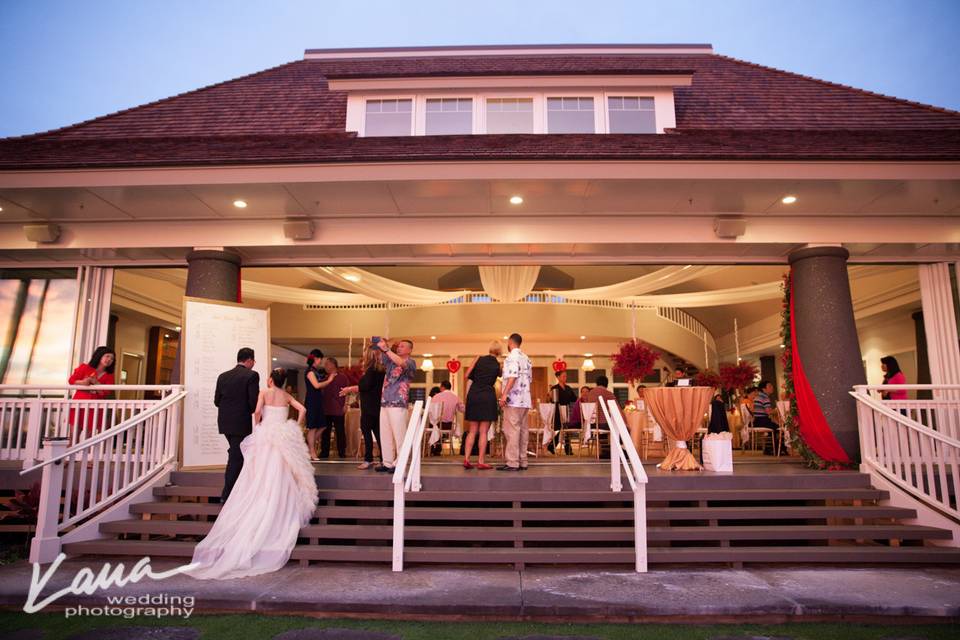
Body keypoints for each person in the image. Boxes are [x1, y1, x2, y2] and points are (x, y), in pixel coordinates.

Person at [189, 368, 318, 580]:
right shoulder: (286, 396)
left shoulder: (264, 393)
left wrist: (258, 425)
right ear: (284, 381)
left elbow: (256, 412)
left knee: (261, 471)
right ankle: (280, 500)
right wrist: (296, 425)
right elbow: (302, 409)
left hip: (267, 434)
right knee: (283, 470)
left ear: (270, 380)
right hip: (283, 435)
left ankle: (264, 498)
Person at [213, 347, 260, 503]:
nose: (254, 364)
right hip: (240, 422)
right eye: (253, 361)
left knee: (235, 453)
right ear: (249, 360)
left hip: (225, 422)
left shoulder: (223, 376)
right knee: (236, 458)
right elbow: (253, 402)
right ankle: (227, 495)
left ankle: (237, 491)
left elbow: (216, 401)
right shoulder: (252, 375)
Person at [340, 342, 386, 470]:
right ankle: (383, 459)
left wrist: (349, 389)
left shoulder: (372, 370)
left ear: (369, 355)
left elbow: (365, 386)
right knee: (378, 434)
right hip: (376, 405)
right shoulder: (381, 369)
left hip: (369, 406)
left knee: (367, 433)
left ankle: (368, 460)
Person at [375, 337, 417, 473]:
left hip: (398, 403)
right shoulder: (390, 361)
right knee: (385, 434)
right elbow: (380, 352)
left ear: (410, 350)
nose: (399, 348)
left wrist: (387, 348)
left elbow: (402, 364)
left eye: (403, 346)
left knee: (399, 435)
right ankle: (387, 462)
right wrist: (382, 342)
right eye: (398, 346)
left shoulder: (411, 362)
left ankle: (400, 462)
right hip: (385, 401)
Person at [463, 341, 502, 469]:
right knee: (484, 431)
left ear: (489, 349)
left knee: (472, 430)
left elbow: (466, 375)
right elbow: (502, 376)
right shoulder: (498, 365)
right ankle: (480, 461)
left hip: (474, 395)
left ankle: (467, 459)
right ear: (499, 352)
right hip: (487, 396)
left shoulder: (478, 358)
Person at [498, 333, 532, 471]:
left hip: (513, 400)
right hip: (525, 400)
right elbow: (529, 379)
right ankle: (523, 461)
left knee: (512, 431)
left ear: (510, 343)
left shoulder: (511, 357)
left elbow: (512, 377)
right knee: (523, 431)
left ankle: (512, 462)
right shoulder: (527, 358)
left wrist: (504, 395)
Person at [68, 346, 116, 439]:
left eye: (112, 358)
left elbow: (105, 393)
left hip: (95, 406)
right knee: (73, 438)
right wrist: (83, 382)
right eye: (107, 356)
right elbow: (71, 380)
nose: (109, 359)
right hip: (79, 404)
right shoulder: (84, 367)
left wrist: (96, 383)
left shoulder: (109, 375)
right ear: (100, 356)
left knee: (88, 439)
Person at [303, 349, 334, 461]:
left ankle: (307, 446)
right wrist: (329, 380)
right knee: (313, 427)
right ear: (316, 358)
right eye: (320, 358)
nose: (321, 361)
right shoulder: (310, 371)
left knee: (323, 425)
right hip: (311, 401)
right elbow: (316, 385)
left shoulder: (315, 370)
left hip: (317, 401)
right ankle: (311, 451)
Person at [319, 357, 350, 459]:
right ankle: (324, 452)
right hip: (326, 409)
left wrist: (346, 404)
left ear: (333, 364)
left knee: (340, 431)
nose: (325, 366)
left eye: (327, 364)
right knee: (325, 432)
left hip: (338, 409)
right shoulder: (324, 378)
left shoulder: (343, 377)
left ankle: (342, 452)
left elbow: (347, 392)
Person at [585, 375, 621, 459]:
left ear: (597, 383)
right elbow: (616, 408)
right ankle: (613, 451)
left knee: (605, 425)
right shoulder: (608, 393)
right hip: (603, 424)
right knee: (619, 427)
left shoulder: (590, 394)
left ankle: (605, 451)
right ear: (607, 384)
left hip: (592, 424)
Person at [548, 369, 577, 455]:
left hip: (567, 410)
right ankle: (556, 447)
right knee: (561, 428)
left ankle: (566, 449)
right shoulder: (554, 388)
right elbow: (552, 400)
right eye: (563, 376)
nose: (565, 378)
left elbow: (574, 399)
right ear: (558, 377)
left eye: (566, 376)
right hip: (557, 410)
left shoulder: (568, 388)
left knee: (566, 429)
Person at [432, 380, 463, 455]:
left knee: (432, 424)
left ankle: (433, 449)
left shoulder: (436, 396)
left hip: (438, 424)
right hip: (449, 425)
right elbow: (462, 409)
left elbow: (431, 411)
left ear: (442, 387)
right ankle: (437, 448)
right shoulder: (455, 397)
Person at [752, 380, 781, 455]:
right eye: (769, 386)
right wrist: (778, 410)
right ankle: (776, 449)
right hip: (762, 421)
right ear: (763, 389)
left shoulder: (758, 397)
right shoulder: (765, 397)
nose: (772, 387)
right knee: (778, 428)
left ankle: (769, 448)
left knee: (776, 426)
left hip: (757, 421)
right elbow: (769, 412)